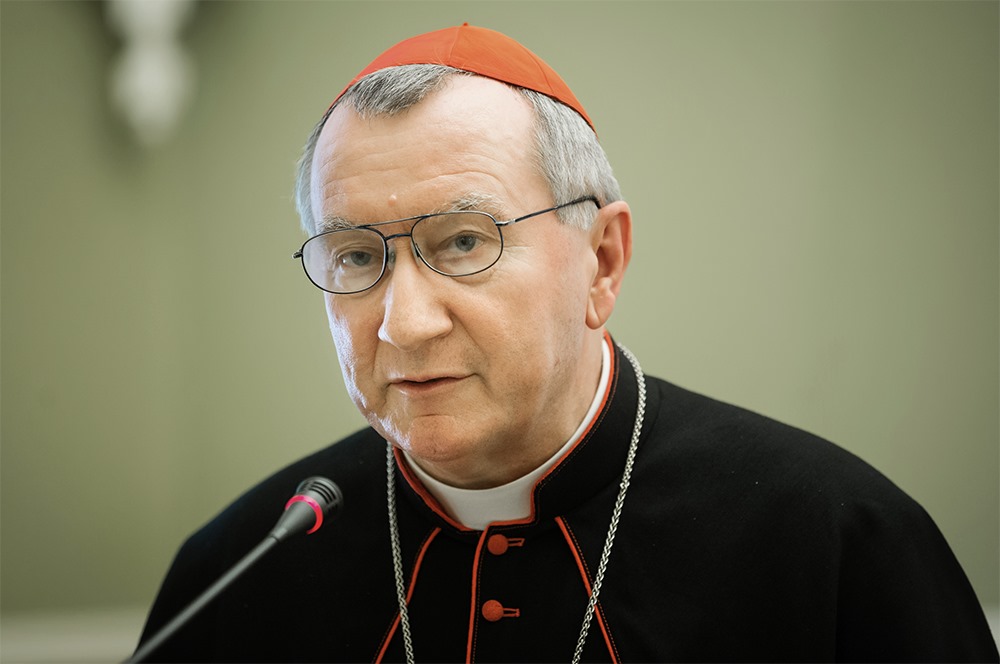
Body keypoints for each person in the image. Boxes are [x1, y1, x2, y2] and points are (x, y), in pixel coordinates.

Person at [135, 24, 998, 663]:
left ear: (602, 261)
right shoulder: (238, 570)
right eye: (357, 256)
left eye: (463, 241)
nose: (404, 322)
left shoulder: (837, 543)